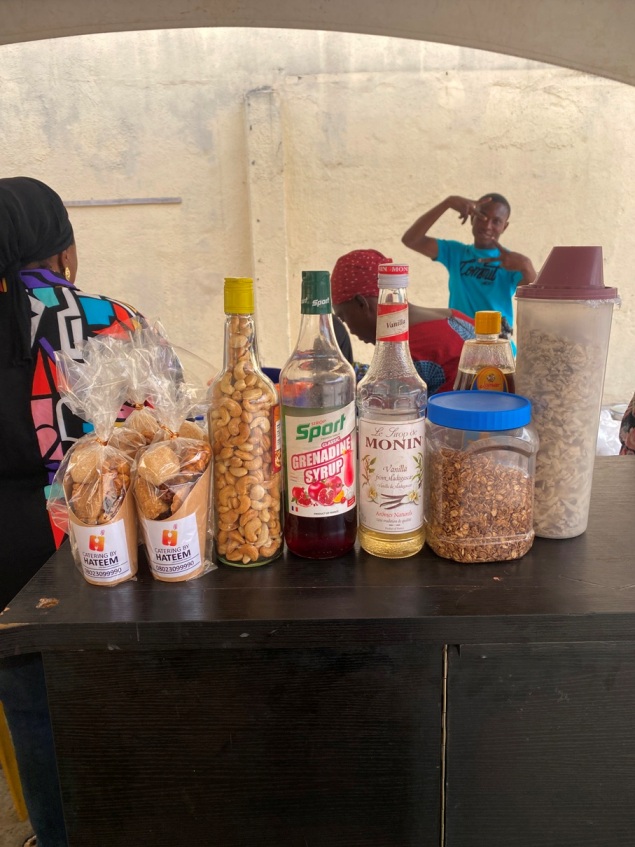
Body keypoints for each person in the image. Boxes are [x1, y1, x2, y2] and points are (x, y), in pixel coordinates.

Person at [0, 176, 145, 847]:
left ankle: (57, 835)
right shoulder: (104, 318)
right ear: (64, 250)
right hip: (95, 532)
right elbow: (157, 428)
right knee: (118, 690)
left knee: (31, 709)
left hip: (8, 559)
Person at [331, 249, 474, 394]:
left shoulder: (403, 354)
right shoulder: (457, 318)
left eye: (343, 318)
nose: (351, 331)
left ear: (362, 304)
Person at [401, 193, 537, 337]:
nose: (487, 226)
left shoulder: (510, 262)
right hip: (460, 339)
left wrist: (526, 266)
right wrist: (447, 203)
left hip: (496, 342)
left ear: (505, 227)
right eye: (482, 217)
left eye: (496, 221)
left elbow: (537, 299)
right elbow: (411, 240)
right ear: (472, 218)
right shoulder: (456, 253)